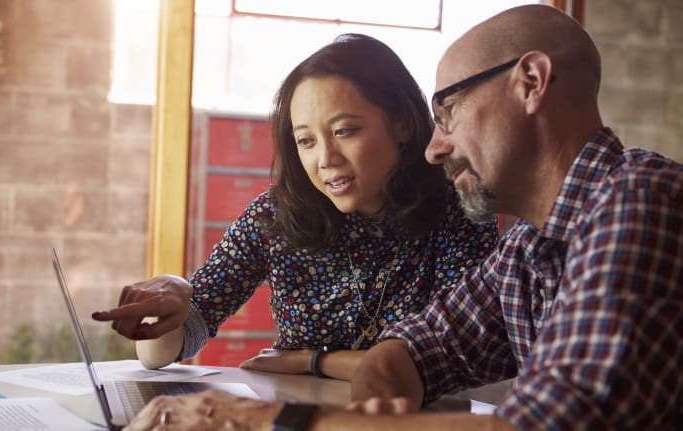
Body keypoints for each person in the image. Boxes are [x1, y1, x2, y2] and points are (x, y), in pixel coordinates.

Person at [119, 4, 683, 430]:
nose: (436, 147)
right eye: (306, 140)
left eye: (450, 110)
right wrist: (378, 388)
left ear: (531, 83)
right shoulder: (530, 248)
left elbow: (547, 424)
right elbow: (423, 345)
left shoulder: (638, 199)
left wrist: (260, 418)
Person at [92, 33, 497, 381]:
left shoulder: (457, 209)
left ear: (402, 124)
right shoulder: (275, 216)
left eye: (344, 131)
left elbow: (453, 356)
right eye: (306, 141)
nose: (326, 158)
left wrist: (313, 362)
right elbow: (162, 354)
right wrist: (175, 295)